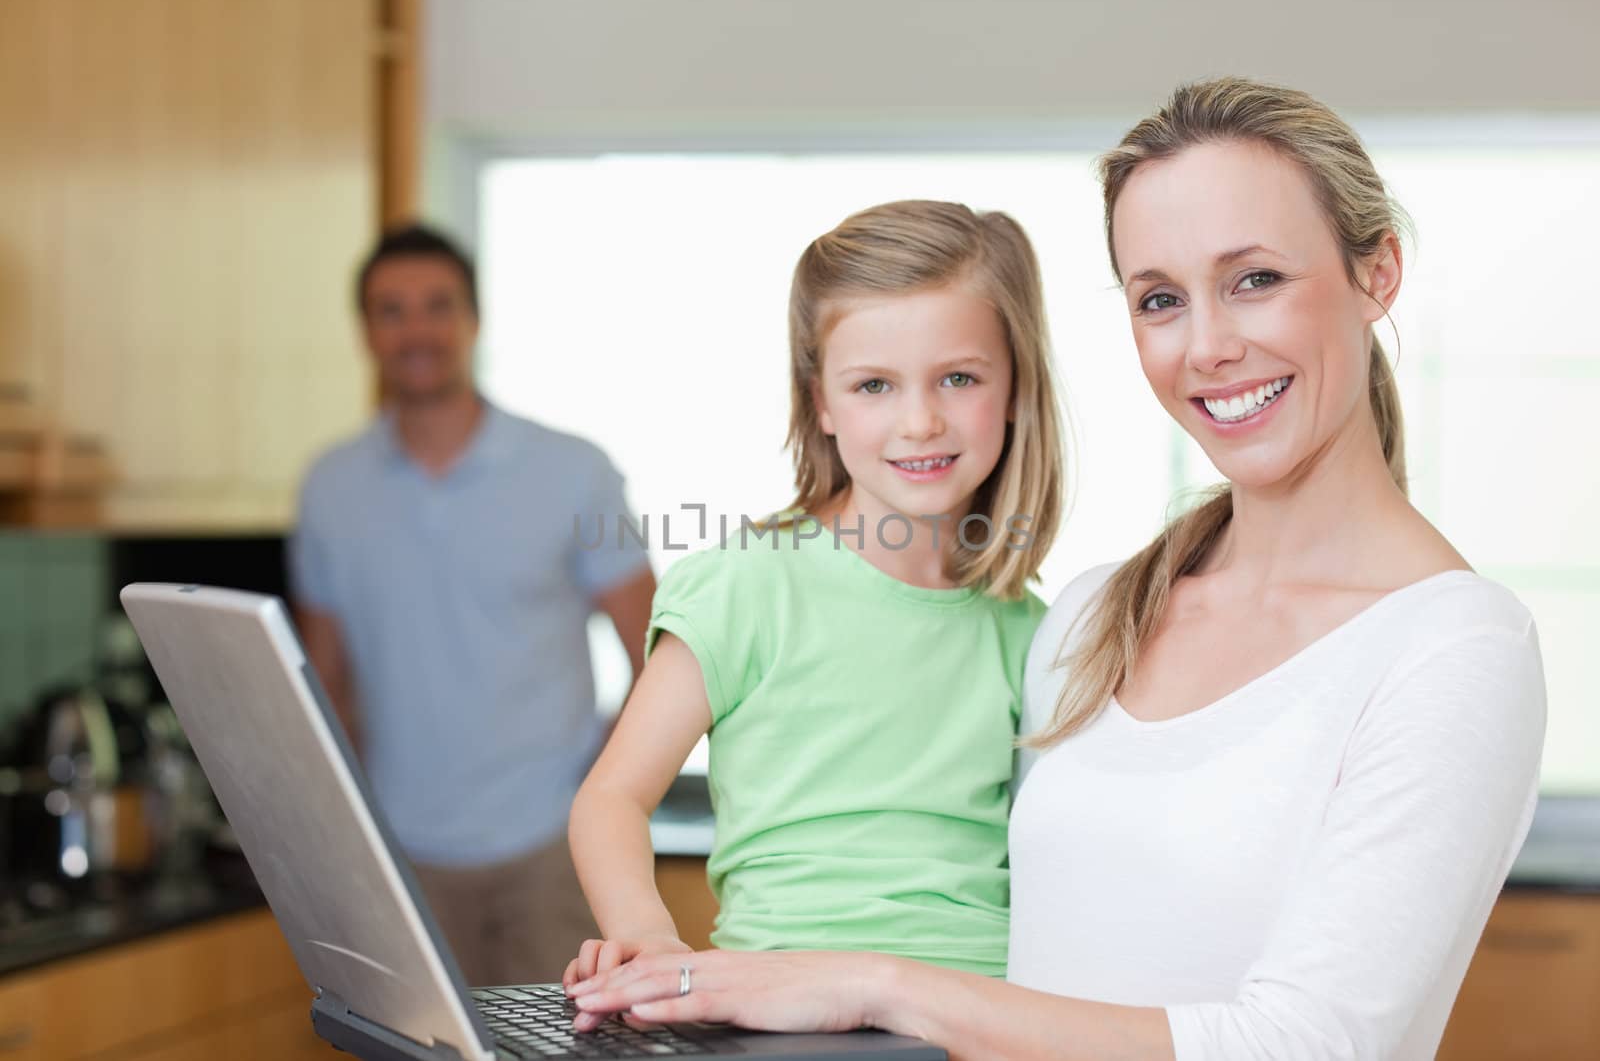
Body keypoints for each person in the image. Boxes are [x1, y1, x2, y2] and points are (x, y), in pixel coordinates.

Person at [565, 79, 1548, 1061]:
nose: (1208, 344)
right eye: (1159, 297)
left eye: (1254, 278)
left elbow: (1305, 1042)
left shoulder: (1452, 648)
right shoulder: (1084, 621)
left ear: (1378, 273)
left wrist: (867, 981)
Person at [561, 200, 1067, 1028]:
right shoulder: (746, 585)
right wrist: (650, 937)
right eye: (874, 385)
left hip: (977, 1017)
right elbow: (610, 798)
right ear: (822, 403)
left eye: (960, 377)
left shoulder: (1033, 629)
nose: (920, 420)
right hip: (778, 1016)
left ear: (1014, 386)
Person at [290, 223, 656, 985]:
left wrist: (600, 803)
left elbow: (656, 655)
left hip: (549, 850)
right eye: (392, 310)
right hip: (399, 855)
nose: (415, 328)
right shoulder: (330, 487)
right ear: (366, 331)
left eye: (436, 305)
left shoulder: (572, 471)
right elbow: (325, 683)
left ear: (473, 320)